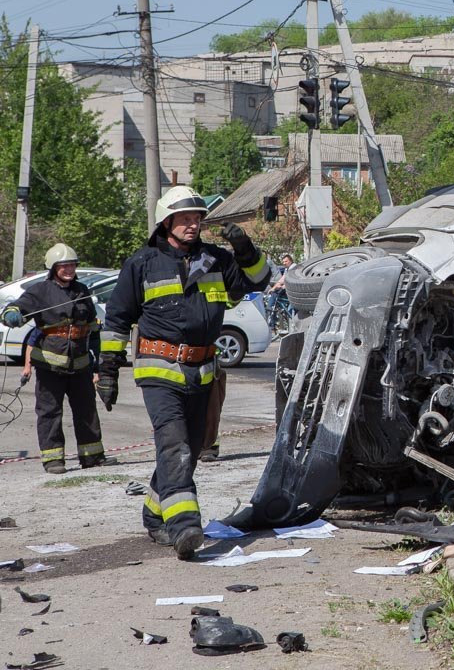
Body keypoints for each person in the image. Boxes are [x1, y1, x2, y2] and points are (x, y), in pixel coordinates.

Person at [97, 186, 269, 559]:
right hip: (159, 370)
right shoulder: (142, 263)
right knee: (173, 443)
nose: (193, 225)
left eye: (197, 219)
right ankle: (185, 527)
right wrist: (107, 369)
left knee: (188, 451)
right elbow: (116, 320)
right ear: (167, 222)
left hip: (203, 371)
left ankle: (154, 514)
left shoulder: (216, 260)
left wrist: (245, 249)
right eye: (185, 219)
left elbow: (258, 282)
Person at [1, 244, 111, 474]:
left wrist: (97, 364)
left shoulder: (82, 291)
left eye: (72, 265)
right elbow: (15, 308)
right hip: (49, 364)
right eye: (64, 266)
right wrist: (12, 315)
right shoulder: (39, 291)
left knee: (86, 410)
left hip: (80, 363)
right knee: (50, 412)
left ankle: (92, 456)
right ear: (53, 268)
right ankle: (53, 459)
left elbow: (93, 329)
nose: (69, 269)